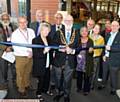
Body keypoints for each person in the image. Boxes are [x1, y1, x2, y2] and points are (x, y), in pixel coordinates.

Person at [53, 14, 79, 102]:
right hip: (59, 60)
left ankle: (66, 94)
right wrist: (60, 48)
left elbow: (79, 47)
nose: (68, 22)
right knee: (58, 78)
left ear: (73, 22)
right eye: (67, 20)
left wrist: (72, 51)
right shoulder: (58, 32)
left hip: (70, 60)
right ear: (64, 21)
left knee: (67, 80)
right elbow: (54, 45)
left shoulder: (77, 32)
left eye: (70, 21)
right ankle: (58, 93)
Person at [11, 16, 35, 96]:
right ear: (18, 24)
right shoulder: (14, 34)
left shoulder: (31, 31)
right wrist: (27, 52)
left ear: (27, 22)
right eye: (21, 22)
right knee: (20, 74)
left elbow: (34, 43)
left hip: (30, 56)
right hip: (20, 57)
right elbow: (15, 47)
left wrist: (31, 52)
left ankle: (26, 85)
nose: (23, 24)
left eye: (24, 22)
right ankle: (21, 89)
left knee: (28, 72)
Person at [99, 21, 120, 95]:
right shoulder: (108, 35)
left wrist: (110, 48)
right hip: (106, 58)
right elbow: (105, 46)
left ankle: (113, 88)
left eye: (116, 25)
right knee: (104, 73)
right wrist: (104, 54)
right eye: (112, 25)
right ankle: (103, 84)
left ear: (118, 27)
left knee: (113, 75)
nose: (114, 27)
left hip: (114, 59)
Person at [32, 22, 51, 101]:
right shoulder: (35, 40)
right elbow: (36, 54)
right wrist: (44, 51)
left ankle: (45, 90)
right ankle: (38, 93)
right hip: (40, 63)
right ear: (40, 30)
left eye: (48, 31)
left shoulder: (49, 39)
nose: (46, 32)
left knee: (47, 78)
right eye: (44, 30)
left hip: (47, 61)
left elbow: (52, 49)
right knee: (41, 79)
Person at [48, 12, 65, 94]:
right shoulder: (50, 28)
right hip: (52, 52)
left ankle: (59, 86)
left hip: (61, 53)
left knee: (59, 71)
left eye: (60, 18)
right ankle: (52, 84)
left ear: (62, 19)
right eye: (56, 18)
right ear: (54, 19)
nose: (58, 19)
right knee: (52, 70)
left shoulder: (65, 28)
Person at [75, 27, 94, 95]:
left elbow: (92, 53)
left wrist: (91, 51)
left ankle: (86, 90)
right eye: (82, 31)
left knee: (87, 77)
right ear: (80, 32)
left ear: (88, 32)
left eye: (85, 31)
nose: (84, 32)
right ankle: (79, 87)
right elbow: (75, 49)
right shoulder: (78, 40)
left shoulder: (90, 41)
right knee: (79, 76)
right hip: (78, 62)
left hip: (87, 62)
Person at [0, 13, 17, 88]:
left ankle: (15, 81)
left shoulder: (13, 26)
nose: (5, 20)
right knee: (4, 69)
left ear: (9, 19)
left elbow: (17, 37)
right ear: (1, 20)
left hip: (12, 51)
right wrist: (5, 48)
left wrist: (12, 47)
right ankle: (4, 83)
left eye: (7, 19)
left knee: (14, 67)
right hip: (2, 52)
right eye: (3, 19)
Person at [89, 24, 104, 89]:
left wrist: (96, 53)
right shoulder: (89, 36)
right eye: (95, 28)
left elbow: (101, 49)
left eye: (98, 29)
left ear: (99, 30)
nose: (96, 30)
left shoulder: (101, 38)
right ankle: (87, 83)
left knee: (94, 71)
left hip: (96, 57)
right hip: (89, 56)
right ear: (93, 29)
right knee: (87, 70)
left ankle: (91, 84)